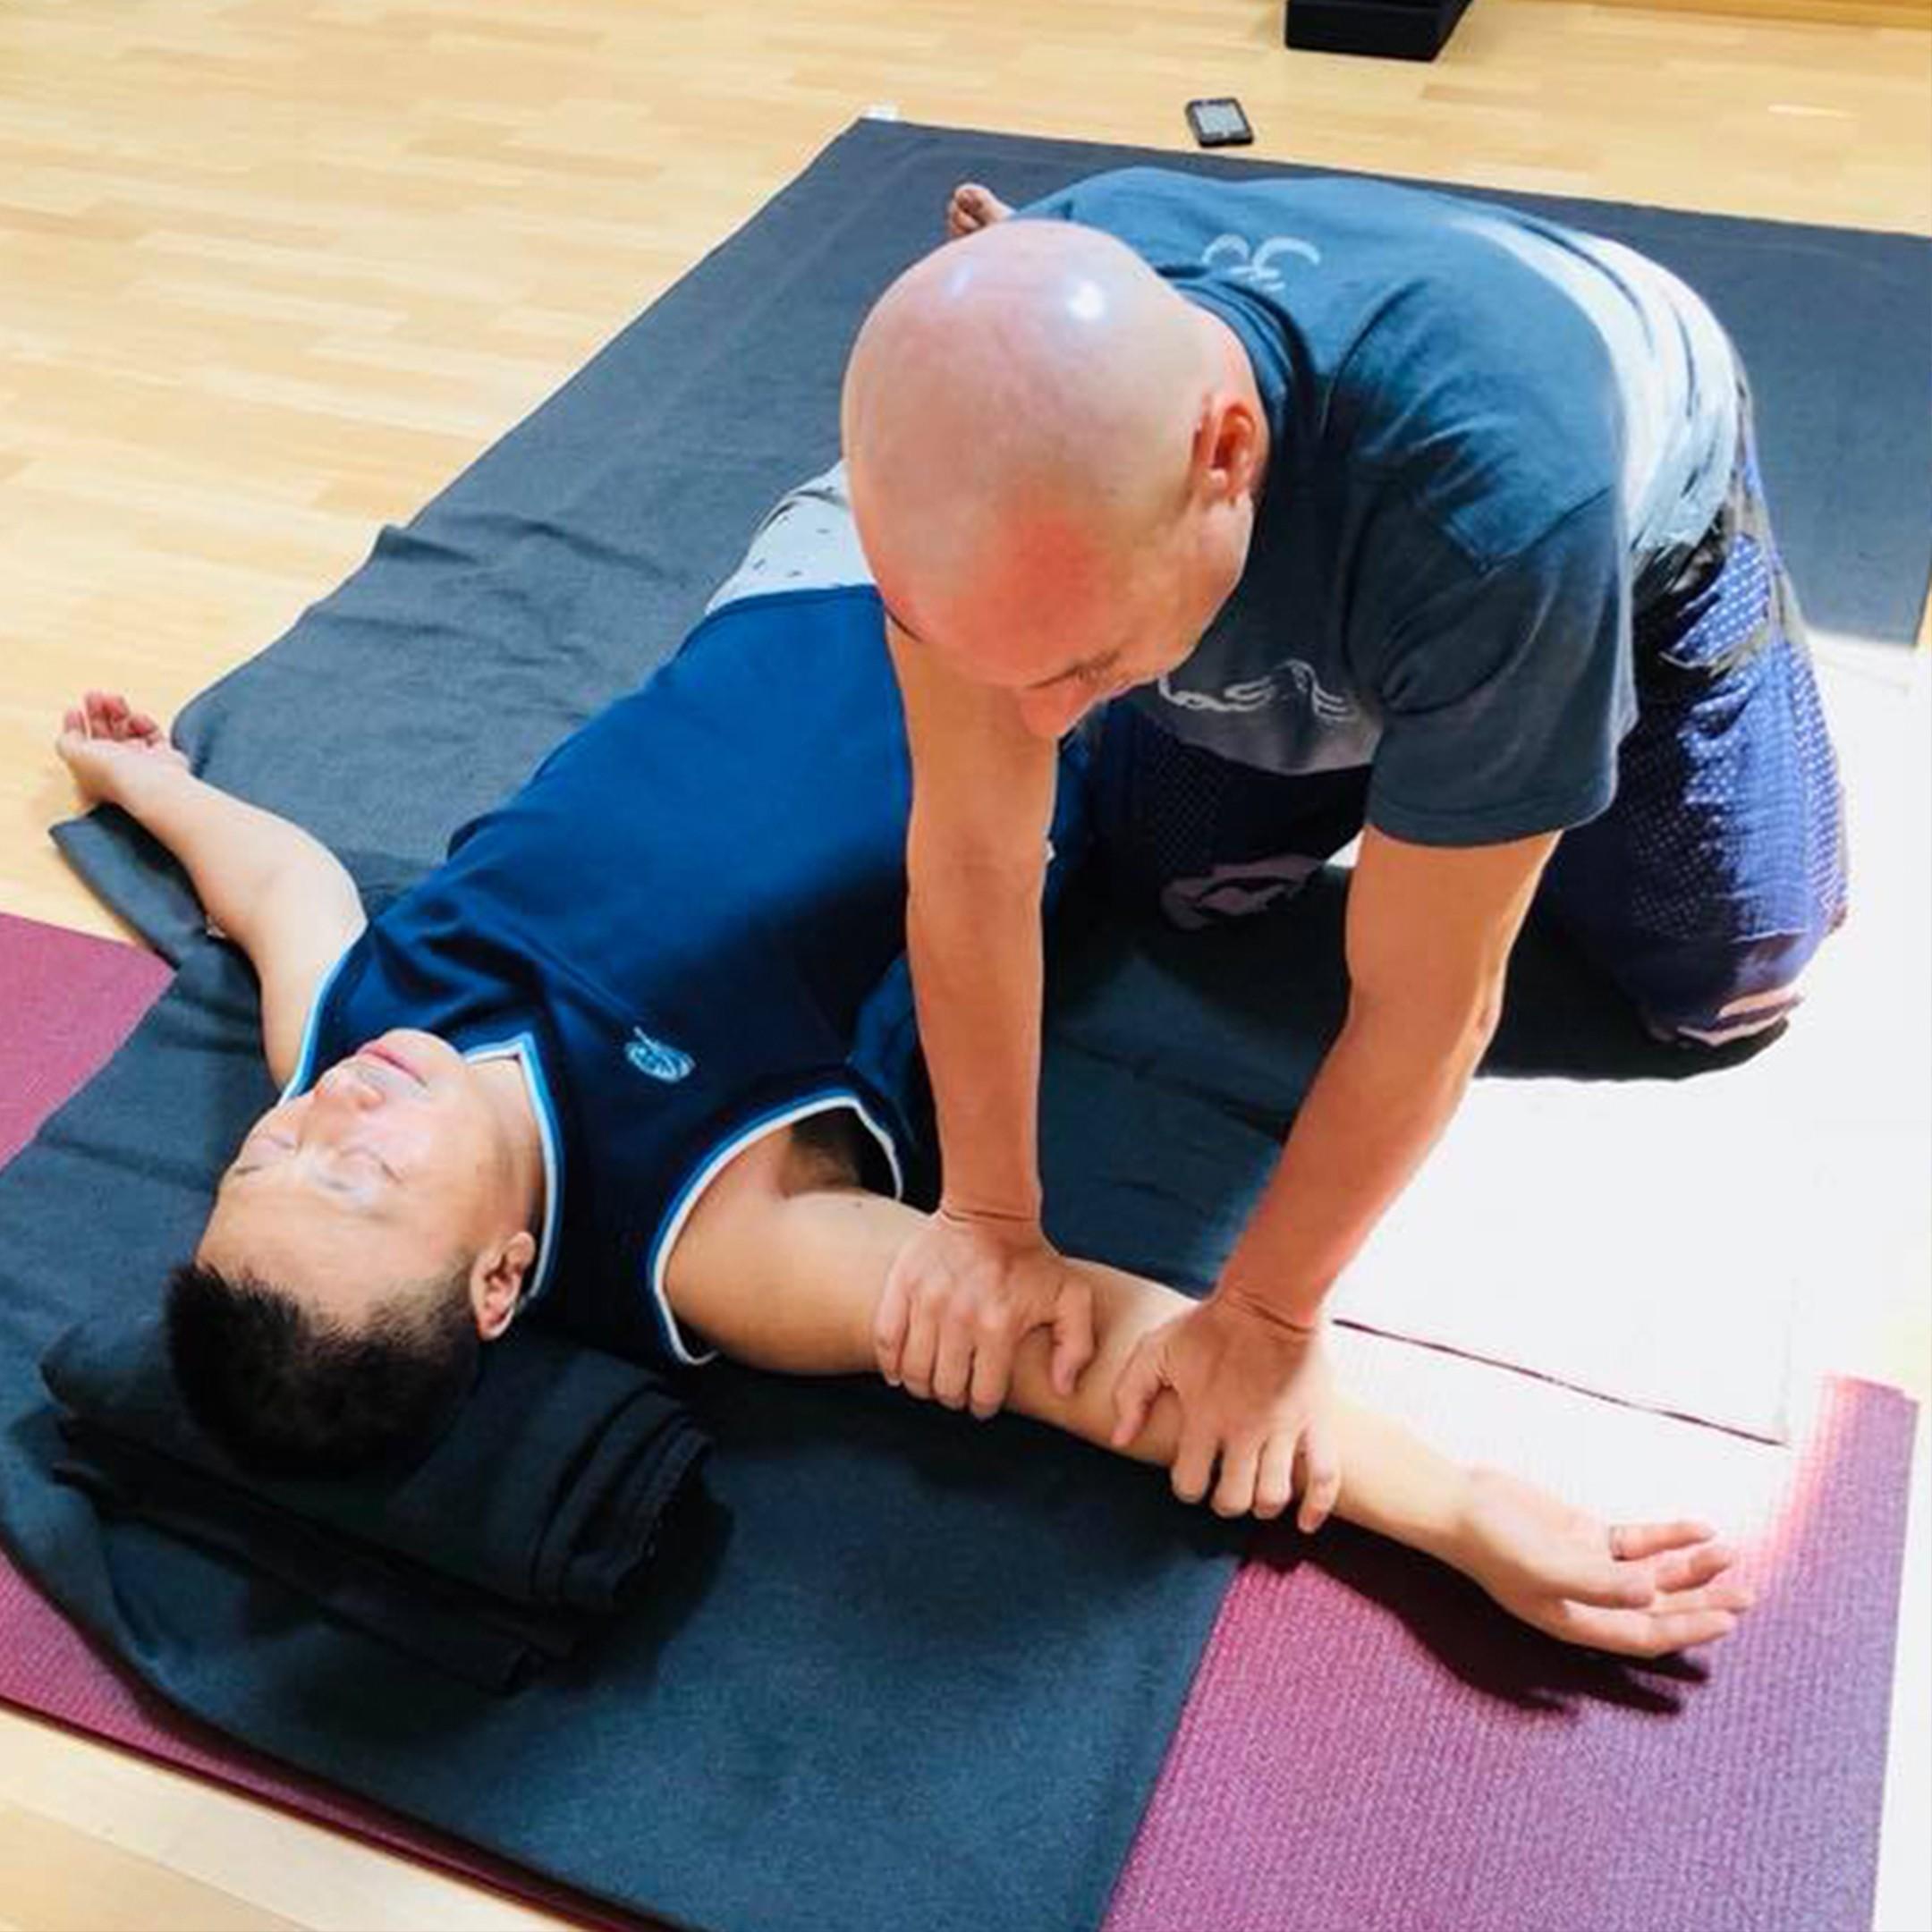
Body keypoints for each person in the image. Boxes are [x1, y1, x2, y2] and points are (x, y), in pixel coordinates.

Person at [49, 497, 1751, 1659]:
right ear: (500, 1282)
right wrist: (1455, 1512)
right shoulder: (712, 1241)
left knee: (1042, 322)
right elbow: (1088, 1352)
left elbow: (282, 893)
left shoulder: (340, 1047)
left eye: (266, 1157)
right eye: (360, 1177)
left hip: (817, 566)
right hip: (1067, 668)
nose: (328, 1119)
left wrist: (153, 789)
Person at [840, 169, 1848, 1531]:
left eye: (1085, 668)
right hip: (1354, 549)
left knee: (1720, 988)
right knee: (1168, 882)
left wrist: (1265, 1315)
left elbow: (1430, 1001)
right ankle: (1426, 725)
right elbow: (972, 850)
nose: (1042, 724)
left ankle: (1508, 719)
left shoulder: (1506, 509)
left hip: (1611, 500)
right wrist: (986, 1219)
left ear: (1225, 456)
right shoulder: (977, 390)